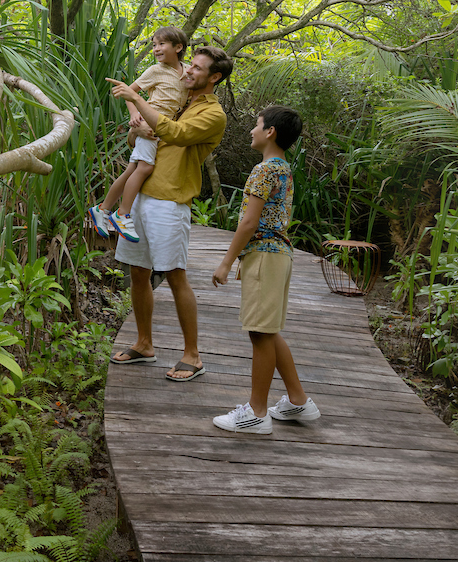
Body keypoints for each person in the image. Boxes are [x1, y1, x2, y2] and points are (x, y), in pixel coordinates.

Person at [104, 46, 230, 382]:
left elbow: (177, 134)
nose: (188, 71)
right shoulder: (175, 98)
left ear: (214, 77)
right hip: (140, 195)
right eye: (191, 65)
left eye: (198, 68)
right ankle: (144, 344)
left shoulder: (213, 114)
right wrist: (136, 128)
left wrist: (136, 97)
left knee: (175, 275)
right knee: (138, 273)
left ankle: (193, 355)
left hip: (170, 200)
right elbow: (137, 140)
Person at [210, 105, 321, 433]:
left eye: (256, 125)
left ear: (270, 131)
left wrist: (226, 262)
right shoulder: (283, 168)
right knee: (267, 330)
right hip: (279, 254)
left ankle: (257, 413)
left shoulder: (263, 170)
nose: (251, 130)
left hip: (264, 254)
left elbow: (249, 222)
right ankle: (298, 400)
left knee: (259, 332)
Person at [88, 27, 189, 243]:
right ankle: (123, 213)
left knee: (131, 170)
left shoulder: (187, 71)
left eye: (161, 44)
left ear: (178, 47)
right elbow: (130, 92)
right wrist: (135, 115)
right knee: (145, 168)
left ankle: (102, 208)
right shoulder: (155, 71)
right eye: (154, 45)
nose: (156, 49)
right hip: (149, 124)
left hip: (163, 128)